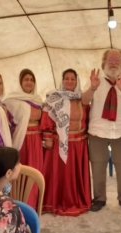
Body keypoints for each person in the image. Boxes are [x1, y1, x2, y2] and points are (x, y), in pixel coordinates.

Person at [81, 49, 121, 212]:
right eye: (110, 60)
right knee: (98, 165)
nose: (114, 63)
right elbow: (84, 100)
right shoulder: (96, 79)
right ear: (104, 63)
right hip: (98, 130)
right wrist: (92, 88)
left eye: (117, 60)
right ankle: (99, 199)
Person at [40, 68, 92, 216]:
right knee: (61, 175)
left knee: (75, 176)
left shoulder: (82, 100)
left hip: (79, 144)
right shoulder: (53, 98)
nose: (69, 81)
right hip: (59, 144)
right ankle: (56, 202)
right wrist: (48, 138)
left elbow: (88, 119)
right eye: (67, 78)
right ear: (62, 81)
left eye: (72, 79)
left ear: (77, 81)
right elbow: (46, 119)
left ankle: (77, 200)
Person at [4, 68, 43, 210]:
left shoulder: (38, 100)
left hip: (36, 140)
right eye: (26, 79)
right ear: (20, 82)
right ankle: (18, 204)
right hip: (22, 140)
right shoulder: (11, 100)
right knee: (20, 172)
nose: (29, 82)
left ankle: (34, 204)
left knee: (35, 171)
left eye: (32, 80)